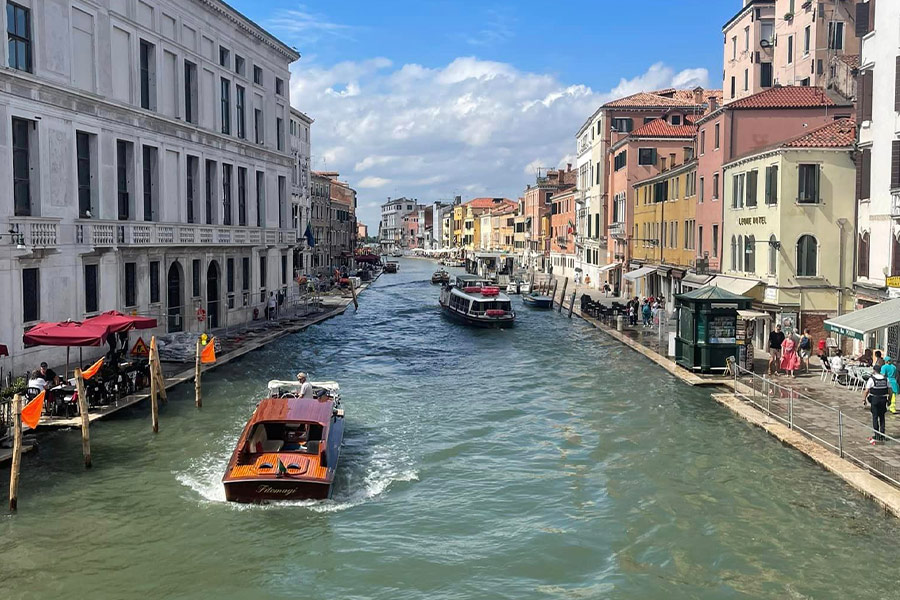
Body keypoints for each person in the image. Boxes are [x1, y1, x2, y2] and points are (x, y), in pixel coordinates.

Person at [864, 364, 891, 443]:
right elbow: (890, 390)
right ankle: (882, 434)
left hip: (875, 399)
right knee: (882, 417)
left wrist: (864, 399)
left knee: (875, 417)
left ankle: (877, 435)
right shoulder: (886, 379)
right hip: (883, 399)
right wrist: (889, 399)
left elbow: (866, 390)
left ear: (874, 371)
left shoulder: (872, 379)